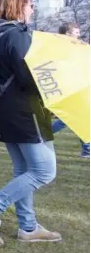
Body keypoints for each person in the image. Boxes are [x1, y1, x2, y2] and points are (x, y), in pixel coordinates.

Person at [0, 0, 61, 245]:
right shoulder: (17, 35)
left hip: (3, 111)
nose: (33, 9)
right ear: (18, 7)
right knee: (44, 171)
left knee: (24, 169)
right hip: (25, 111)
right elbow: (30, 76)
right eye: (30, 5)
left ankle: (28, 226)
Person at [51, 22, 89, 158]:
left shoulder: (76, 47)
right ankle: (87, 150)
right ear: (67, 34)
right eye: (76, 33)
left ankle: (87, 149)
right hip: (72, 88)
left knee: (75, 118)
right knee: (75, 118)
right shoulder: (64, 48)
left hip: (77, 86)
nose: (79, 35)